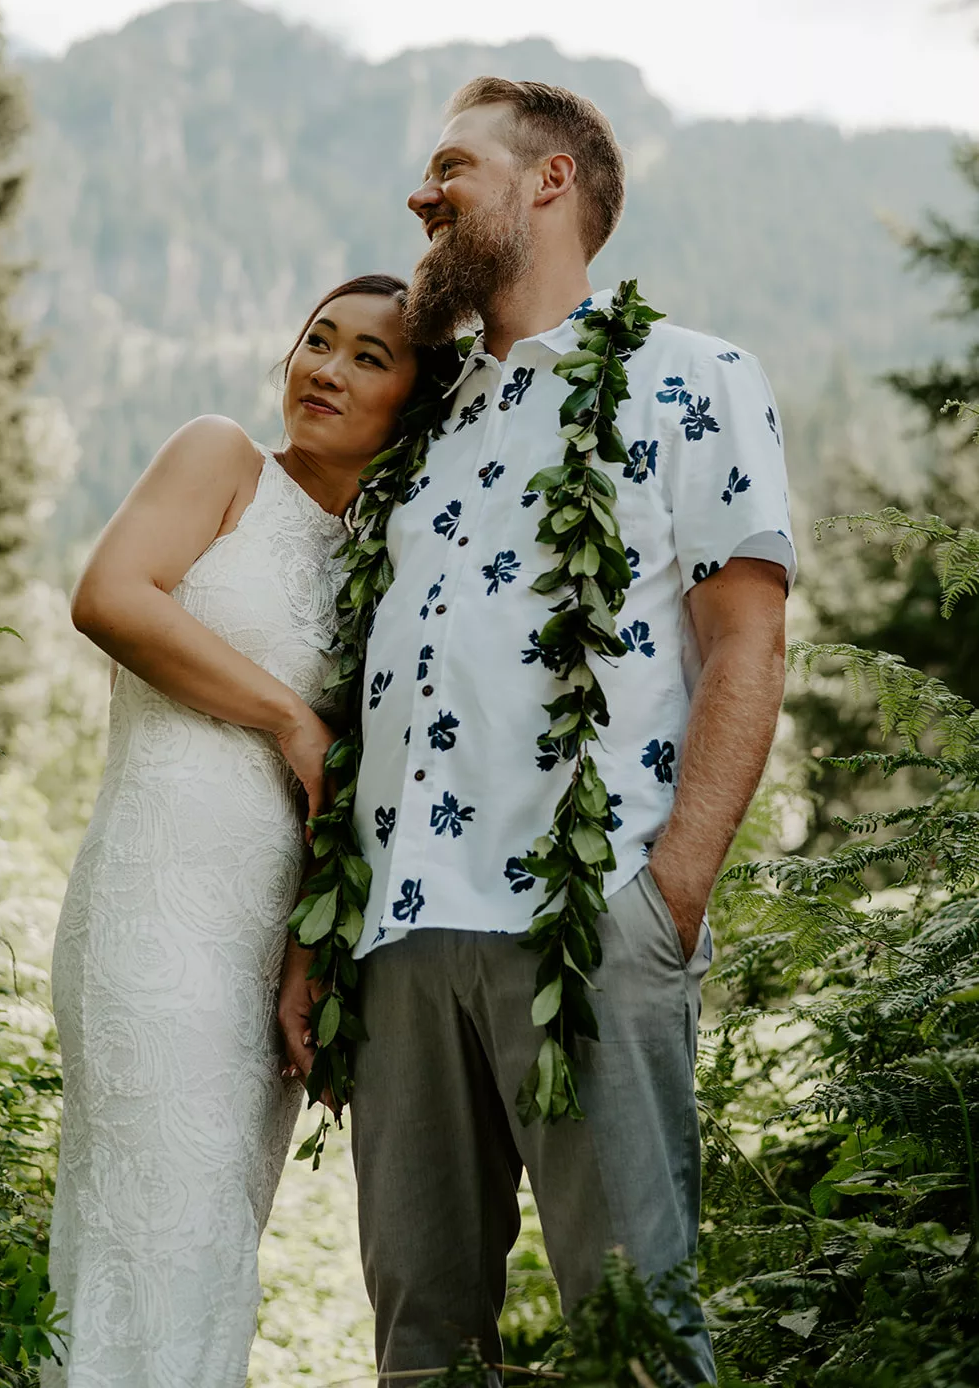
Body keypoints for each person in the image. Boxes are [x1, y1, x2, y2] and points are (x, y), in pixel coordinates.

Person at [279, 79, 794, 1386]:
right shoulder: (424, 417)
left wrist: (665, 897)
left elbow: (744, 642)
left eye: (452, 165)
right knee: (420, 1346)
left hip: (587, 919)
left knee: (631, 1335)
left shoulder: (693, 379)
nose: (421, 194)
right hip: (397, 939)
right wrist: (320, 934)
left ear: (549, 180)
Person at [43, 275, 431, 1388]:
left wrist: (306, 959)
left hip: (264, 949)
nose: (326, 370)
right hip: (153, 912)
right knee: (147, 1232)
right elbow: (110, 596)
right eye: (318, 341)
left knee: (212, 1243)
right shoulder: (223, 459)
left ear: (413, 402)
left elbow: (348, 790)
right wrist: (289, 718)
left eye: (369, 358)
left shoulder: (390, 561)